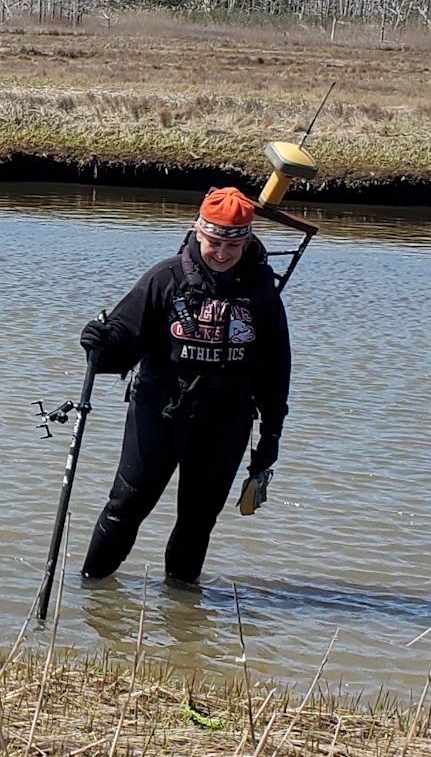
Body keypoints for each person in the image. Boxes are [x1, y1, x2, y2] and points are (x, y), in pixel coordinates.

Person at [76, 186, 290, 587]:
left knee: (198, 520)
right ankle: (91, 592)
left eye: (233, 245)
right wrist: (100, 343)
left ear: (247, 241)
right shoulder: (165, 278)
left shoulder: (262, 293)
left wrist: (271, 435)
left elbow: (277, 369)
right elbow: (123, 340)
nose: (222, 254)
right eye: (213, 243)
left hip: (226, 423)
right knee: (127, 504)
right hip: (158, 413)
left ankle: (181, 615)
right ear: (197, 232)